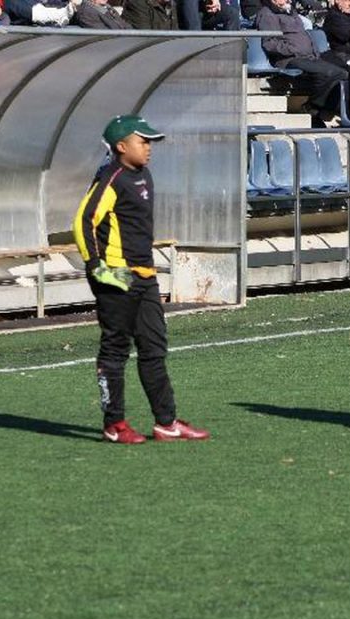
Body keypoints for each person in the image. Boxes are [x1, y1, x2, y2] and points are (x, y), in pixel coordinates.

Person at [72, 115, 209, 445]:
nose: (148, 147)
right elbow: (83, 222)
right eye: (142, 141)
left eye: (150, 141)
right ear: (121, 147)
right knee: (116, 350)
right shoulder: (111, 177)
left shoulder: (143, 174)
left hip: (145, 275)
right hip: (117, 276)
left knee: (154, 348)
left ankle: (166, 422)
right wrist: (97, 267)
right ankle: (114, 424)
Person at [256, 0, 349, 121]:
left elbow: (303, 35)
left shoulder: (290, 12)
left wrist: (313, 50)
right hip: (289, 59)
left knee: (344, 72)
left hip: (309, 56)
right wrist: (293, 50)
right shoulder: (267, 14)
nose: (289, 0)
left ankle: (322, 110)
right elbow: (270, 43)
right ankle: (312, 106)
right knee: (328, 73)